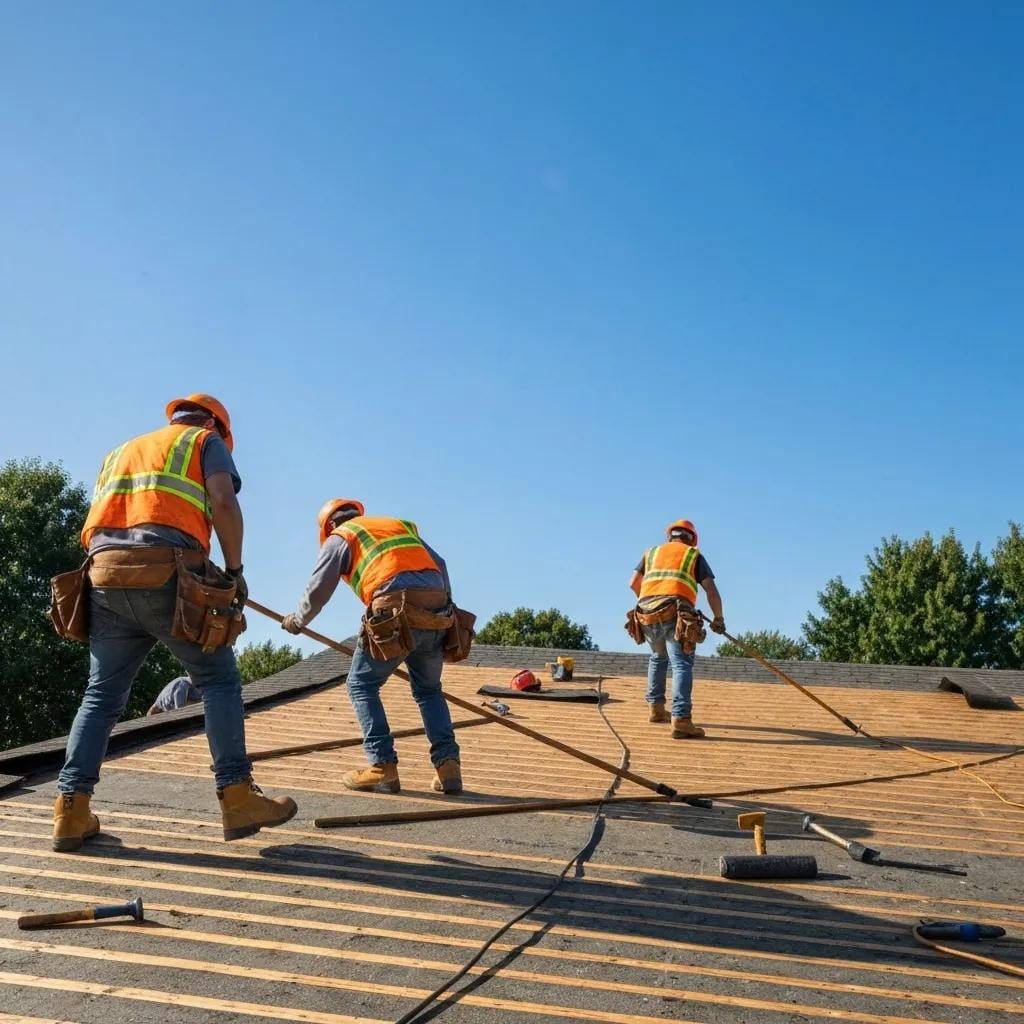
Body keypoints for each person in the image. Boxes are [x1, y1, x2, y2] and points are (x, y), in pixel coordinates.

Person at [53, 393, 296, 852]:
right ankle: (237, 795)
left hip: (102, 576)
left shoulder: (121, 450)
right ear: (218, 427)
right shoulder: (205, 441)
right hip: (167, 574)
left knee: (101, 695)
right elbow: (223, 503)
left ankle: (71, 809)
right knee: (218, 680)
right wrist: (235, 571)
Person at [281, 499, 462, 795]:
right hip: (436, 609)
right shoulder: (397, 525)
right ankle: (448, 767)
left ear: (328, 526)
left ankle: (382, 767)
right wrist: (444, 609)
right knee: (429, 690)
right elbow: (439, 564)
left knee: (361, 685)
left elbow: (318, 589)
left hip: (393, 610)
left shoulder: (341, 538)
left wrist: (298, 620)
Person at [629, 518, 726, 739]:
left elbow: (633, 583)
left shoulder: (651, 553)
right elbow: (711, 589)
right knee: (681, 663)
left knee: (658, 657)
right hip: (676, 611)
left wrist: (650, 602)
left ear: (669, 536)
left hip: (646, 612)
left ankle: (656, 710)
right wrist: (719, 618)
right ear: (692, 539)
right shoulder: (693, 555)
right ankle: (681, 719)